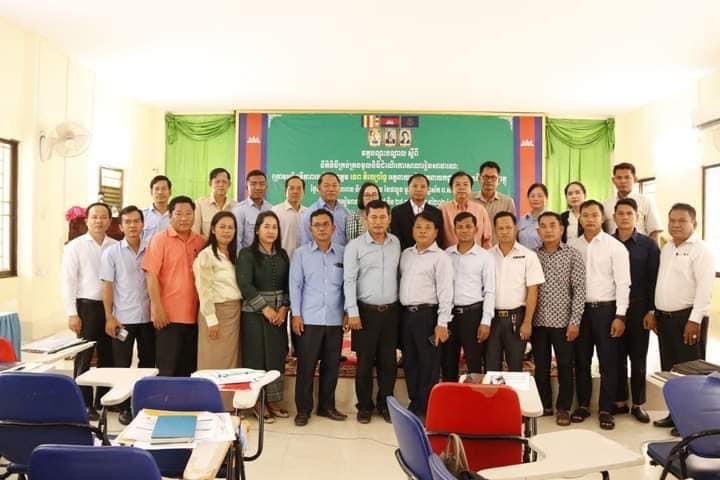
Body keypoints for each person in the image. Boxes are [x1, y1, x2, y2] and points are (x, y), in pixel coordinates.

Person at [652, 203, 715, 432]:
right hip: (665, 319)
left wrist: (694, 320)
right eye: (672, 220)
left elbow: (705, 288)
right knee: (671, 371)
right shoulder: (668, 248)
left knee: (691, 373)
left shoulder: (701, 250)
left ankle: (692, 422)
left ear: (693, 224)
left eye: (682, 221)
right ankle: (675, 414)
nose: (676, 225)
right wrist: (654, 311)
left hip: (687, 319)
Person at [569, 200, 630, 430]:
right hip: (580, 312)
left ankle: (606, 409)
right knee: (581, 360)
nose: (590, 219)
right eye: (585, 215)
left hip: (607, 310)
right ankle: (583, 405)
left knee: (608, 361)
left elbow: (623, 283)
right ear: (580, 218)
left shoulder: (615, 247)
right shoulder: (572, 246)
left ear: (603, 218)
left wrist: (620, 315)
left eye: (594, 215)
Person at [344, 200, 401, 424]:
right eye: (373, 217)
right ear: (365, 219)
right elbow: (349, 281)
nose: (378, 222)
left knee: (389, 363)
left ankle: (386, 405)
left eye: (382, 217)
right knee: (364, 363)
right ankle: (364, 407)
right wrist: (352, 311)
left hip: (391, 313)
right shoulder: (355, 246)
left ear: (389, 219)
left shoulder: (396, 243)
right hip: (365, 313)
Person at [290, 209, 347, 426]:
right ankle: (303, 410)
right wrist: (296, 314)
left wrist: (347, 311)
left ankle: (326, 407)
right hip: (309, 319)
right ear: (310, 229)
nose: (321, 228)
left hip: (334, 319)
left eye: (325, 224)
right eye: (317, 225)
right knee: (306, 366)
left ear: (333, 228)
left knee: (331, 366)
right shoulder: (301, 254)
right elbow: (295, 286)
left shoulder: (343, 253)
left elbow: (347, 285)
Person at [62, 202, 117, 419]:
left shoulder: (115, 246)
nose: (99, 221)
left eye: (103, 217)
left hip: (111, 308)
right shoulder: (75, 246)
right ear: (87, 220)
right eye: (94, 217)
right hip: (86, 307)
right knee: (84, 355)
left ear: (109, 221)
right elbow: (68, 281)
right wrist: (72, 313)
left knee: (108, 355)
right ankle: (83, 403)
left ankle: (102, 400)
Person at [100, 205, 155, 425]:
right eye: (128, 222)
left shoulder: (152, 248)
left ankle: (142, 403)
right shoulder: (111, 252)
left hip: (148, 318)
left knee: (147, 362)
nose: (133, 225)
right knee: (122, 364)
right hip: (123, 319)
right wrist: (109, 316)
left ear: (143, 224)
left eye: (136, 221)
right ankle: (124, 407)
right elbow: (107, 286)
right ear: (121, 226)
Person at [142, 196, 206, 377]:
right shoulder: (159, 240)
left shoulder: (201, 242)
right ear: (170, 216)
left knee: (189, 370)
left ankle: (185, 397)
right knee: (167, 369)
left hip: (195, 317)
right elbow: (151, 275)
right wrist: (157, 308)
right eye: (179, 214)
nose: (184, 218)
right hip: (168, 317)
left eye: (188, 213)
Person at [236, 211, 291, 422]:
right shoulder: (246, 254)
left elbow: (289, 284)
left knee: (276, 356)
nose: (271, 231)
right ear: (257, 230)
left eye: (274, 227)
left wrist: (284, 307)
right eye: (266, 226)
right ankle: (257, 403)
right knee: (256, 357)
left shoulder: (282, 254)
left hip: (278, 316)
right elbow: (245, 285)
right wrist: (265, 309)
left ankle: (273, 400)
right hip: (254, 315)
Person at [399, 212, 454, 419]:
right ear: (412, 230)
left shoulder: (441, 258)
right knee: (410, 361)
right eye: (419, 227)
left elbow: (446, 292)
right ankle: (415, 403)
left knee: (428, 363)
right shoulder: (406, 254)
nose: (422, 231)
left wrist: (442, 323)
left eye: (428, 228)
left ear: (436, 232)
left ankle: (426, 407)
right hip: (407, 316)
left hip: (428, 316)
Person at [533, 211, 585, 426]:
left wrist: (575, 321)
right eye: (543, 226)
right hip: (537, 321)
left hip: (564, 322)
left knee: (564, 365)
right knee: (541, 366)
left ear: (561, 229)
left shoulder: (573, 254)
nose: (548, 230)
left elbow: (579, 290)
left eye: (552, 225)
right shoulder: (532, 255)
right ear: (538, 231)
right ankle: (544, 405)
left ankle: (563, 408)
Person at [611, 198, 659, 423]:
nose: (624, 217)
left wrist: (651, 310)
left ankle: (638, 404)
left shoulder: (648, 245)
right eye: (620, 213)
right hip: (614, 309)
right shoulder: (607, 242)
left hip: (640, 308)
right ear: (614, 217)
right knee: (616, 357)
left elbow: (654, 280)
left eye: (629, 213)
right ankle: (620, 401)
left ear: (637, 217)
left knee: (638, 358)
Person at [193, 211, 242, 410]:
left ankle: (230, 405)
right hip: (215, 313)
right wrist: (211, 319)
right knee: (212, 361)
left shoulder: (235, 254)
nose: (227, 231)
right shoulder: (206, 256)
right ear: (213, 229)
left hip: (234, 313)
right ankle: (211, 404)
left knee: (231, 362)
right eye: (222, 227)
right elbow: (203, 289)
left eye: (231, 227)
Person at [487, 212, 544, 372]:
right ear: (495, 230)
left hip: (516, 318)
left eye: (508, 227)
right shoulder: (487, 256)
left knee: (515, 367)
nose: (504, 231)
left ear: (515, 228)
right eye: (500, 228)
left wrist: (527, 322)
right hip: (491, 318)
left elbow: (533, 291)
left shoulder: (528, 256)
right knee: (491, 367)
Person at [443, 212, 495, 380]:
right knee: (448, 362)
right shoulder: (446, 255)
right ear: (454, 230)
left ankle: (475, 395)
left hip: (473, 315)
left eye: (468, 226)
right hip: (450, 316)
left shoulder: (485, 257)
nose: (464, 230)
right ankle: (450, 395)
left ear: (476, 229)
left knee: (474, 363)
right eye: (460, 227)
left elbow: (489, 290)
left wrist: (486, 321)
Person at [603, 162, 662, 240]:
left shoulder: (646, 201)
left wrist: (652, 247)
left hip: (640, 246)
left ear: (635, 179)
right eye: (619, 178)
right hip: (612, 246)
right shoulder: (606, 204)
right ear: (613, 180)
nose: (623, 181)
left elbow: (654, 231)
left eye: (627, 177)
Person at [390, 173, 444, 250]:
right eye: (415, 186)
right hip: (404, 255)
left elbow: (439, 239)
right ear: (408, 188)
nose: (419, 189)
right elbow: (396, 238)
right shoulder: (396, 212)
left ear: (428, 189)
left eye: (423, 186)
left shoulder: (436, 213)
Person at [440, 171, 492, 249]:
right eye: (457, 184)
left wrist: (484, 255)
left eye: (465, 184)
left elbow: (487, 239)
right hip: (449, 255)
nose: (462, 187)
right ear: (451, 189)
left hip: (476, 255)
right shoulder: (442, 209)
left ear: (471, 188)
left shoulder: (480, 210)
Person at [472, 161, 516, 244]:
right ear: (479, 178)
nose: (489, 180)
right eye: (486, 177)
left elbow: (511, 230)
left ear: (499, 180)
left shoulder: (508, 202)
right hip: (474, 249)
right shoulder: (469, 199)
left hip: (498, 249)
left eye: (493, 177)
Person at [300, 172, 349, 246]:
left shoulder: (345, 212)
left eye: (334, 185)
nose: (331, 189)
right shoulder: (309, 214)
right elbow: (306, 244)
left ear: (339, 188)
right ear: (319, 188)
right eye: (326, 186)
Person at [192, 168, 238, 237]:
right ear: (210, 183)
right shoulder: (199, 204)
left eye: (224, 182)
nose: (221, 185)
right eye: (217, 182)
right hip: (206, 243)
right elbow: (195, 233)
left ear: (229, 184)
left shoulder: (236, 206)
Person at [233, 170, 273, 249]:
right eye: (253, 184)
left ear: (266, 187)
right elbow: (237, 241)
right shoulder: (239, 210)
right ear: (246, 187)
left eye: (262, 184)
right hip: (248, 255)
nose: (258, 187)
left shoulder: (272, 209)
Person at [272, 175, 307, 259]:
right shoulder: (275, 211)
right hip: (281, 260)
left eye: (299, 188)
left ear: (303, 192)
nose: (295, 191)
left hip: (304, 261)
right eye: (291, 188)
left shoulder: (309, 213)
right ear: (285, 191)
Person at [517, 183, 548, 250]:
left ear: (546, 198)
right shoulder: (523, 219)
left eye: (539, 196)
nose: (536, 199)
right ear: (528, 198)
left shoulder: (551, 219)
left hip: (543, 256)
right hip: (523, 256)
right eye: (532, 196)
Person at [142, 175, 172, 242]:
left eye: (164, 189)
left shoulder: (176, 215)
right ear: (151, 192)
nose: (160, 192)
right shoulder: (142, 215)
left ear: (170, 192)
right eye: (157, 189)